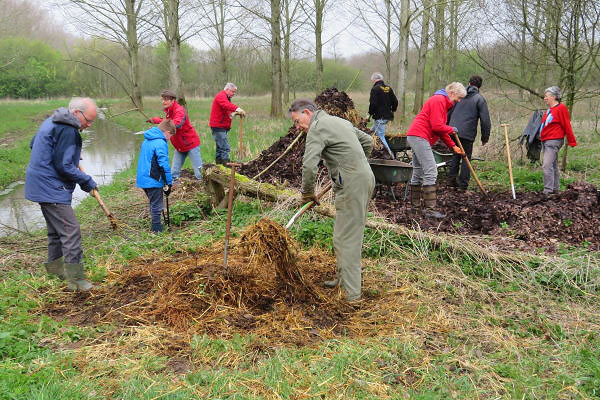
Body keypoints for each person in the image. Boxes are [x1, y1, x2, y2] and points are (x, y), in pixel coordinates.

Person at [289, 99, 375, 302]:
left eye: (297, 121)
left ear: (307, 113)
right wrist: (354, 165)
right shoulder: (338, 121)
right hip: (364, 178)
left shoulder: (317, 128)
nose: (297, 127)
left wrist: (307, 194)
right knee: (343, 235)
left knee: (348, 239)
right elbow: (368, 142)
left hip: (353, 184)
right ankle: (343, 278)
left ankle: (352, 295)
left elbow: (309, 166)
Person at [25, 97, 98, 292]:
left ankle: (55, 271)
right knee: (71, 230)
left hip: (38, 184)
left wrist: (70, 153)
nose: (89, 125)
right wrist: (87, 181)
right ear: (76, 113)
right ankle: (76, 281)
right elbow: (64, 166)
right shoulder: (68, 129)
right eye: (88, 120)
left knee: (55, 231)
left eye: (92, 122)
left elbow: (35, 144)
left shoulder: (53, 120)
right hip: (51, 187)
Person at [407, 83, 466, 218]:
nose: (459, 100)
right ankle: (430, 210)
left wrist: (452, 146)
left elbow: (439, 129)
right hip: (420, 136)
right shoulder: (439, 100)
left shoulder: (442, 102)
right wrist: (452, 129)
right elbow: (437, 126)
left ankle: (415, 208)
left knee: (418, 171)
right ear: (451, 93)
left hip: (415, 135)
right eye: (459, 97)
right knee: (431, 171)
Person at [447, 75, 491, 190]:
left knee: (456, 155)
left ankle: (451, 181)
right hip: (467, 134)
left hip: (452, 131)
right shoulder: (479, 99)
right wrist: (485, 137)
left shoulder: (459, 96)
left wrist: (446, 128)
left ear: (469, 83)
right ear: (479, 86)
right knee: (466, 158)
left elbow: (449, 112)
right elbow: (485, 120)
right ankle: (463, 185)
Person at [147, 90, 202, 180]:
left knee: (200, 174)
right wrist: (155, 120)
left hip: (190, 144)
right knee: (174, 174)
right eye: (162, 99)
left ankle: (203, 190)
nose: (163, 102)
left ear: (173, 100)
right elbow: (168, 121)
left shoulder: (179, 110)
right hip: (179, 145)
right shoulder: (170, 111)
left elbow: (176, 124)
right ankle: (172, 190)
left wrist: (160, 125)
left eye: (166, 99)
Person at [136, 119, 175, 233]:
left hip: (143, 178)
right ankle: (157, 231)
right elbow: (163, 164)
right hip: (153, 179)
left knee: (154, 203)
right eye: (171, 135)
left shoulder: (147, 140)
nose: (170, 138)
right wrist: (168, 183)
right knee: (157, 206)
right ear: (167, 132)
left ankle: (156, 226)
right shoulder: (160, 143)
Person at [539, 86, 577, 194]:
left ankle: (548, 191)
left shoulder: (561, 108)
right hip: (546, 140)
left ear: (554, 97)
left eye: (546, 96)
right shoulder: (549, 110)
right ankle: (555, 189)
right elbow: (545, 125)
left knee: (546, 165)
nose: (544, 98)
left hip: (554, 140)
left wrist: (571, 140)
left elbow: (567, 125)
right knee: (553, 165)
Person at [209, 83, 246, 164]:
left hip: (221, 126)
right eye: (233, 91)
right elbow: (226, 105)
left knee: (220, 147)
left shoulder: (226, 97)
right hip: (218, 126)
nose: (234, 94)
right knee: (225, 147)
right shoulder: (221, 96)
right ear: (227, 90)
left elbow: (226, 109)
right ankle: (226, 164)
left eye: (234, 92)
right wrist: (237, 109)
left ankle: (219, 165)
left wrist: (233, 113)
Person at [368, 72, 398, 159]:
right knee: (371, 132)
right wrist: (393, 110)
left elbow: (373, 104)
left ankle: (390, 156)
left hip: (380, 116)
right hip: (387, 116)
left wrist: (370, 113)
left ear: (374, 80)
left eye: (372, 80)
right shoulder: (388, 88)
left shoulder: (375, 89)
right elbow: (395, 101)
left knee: (380, 136)